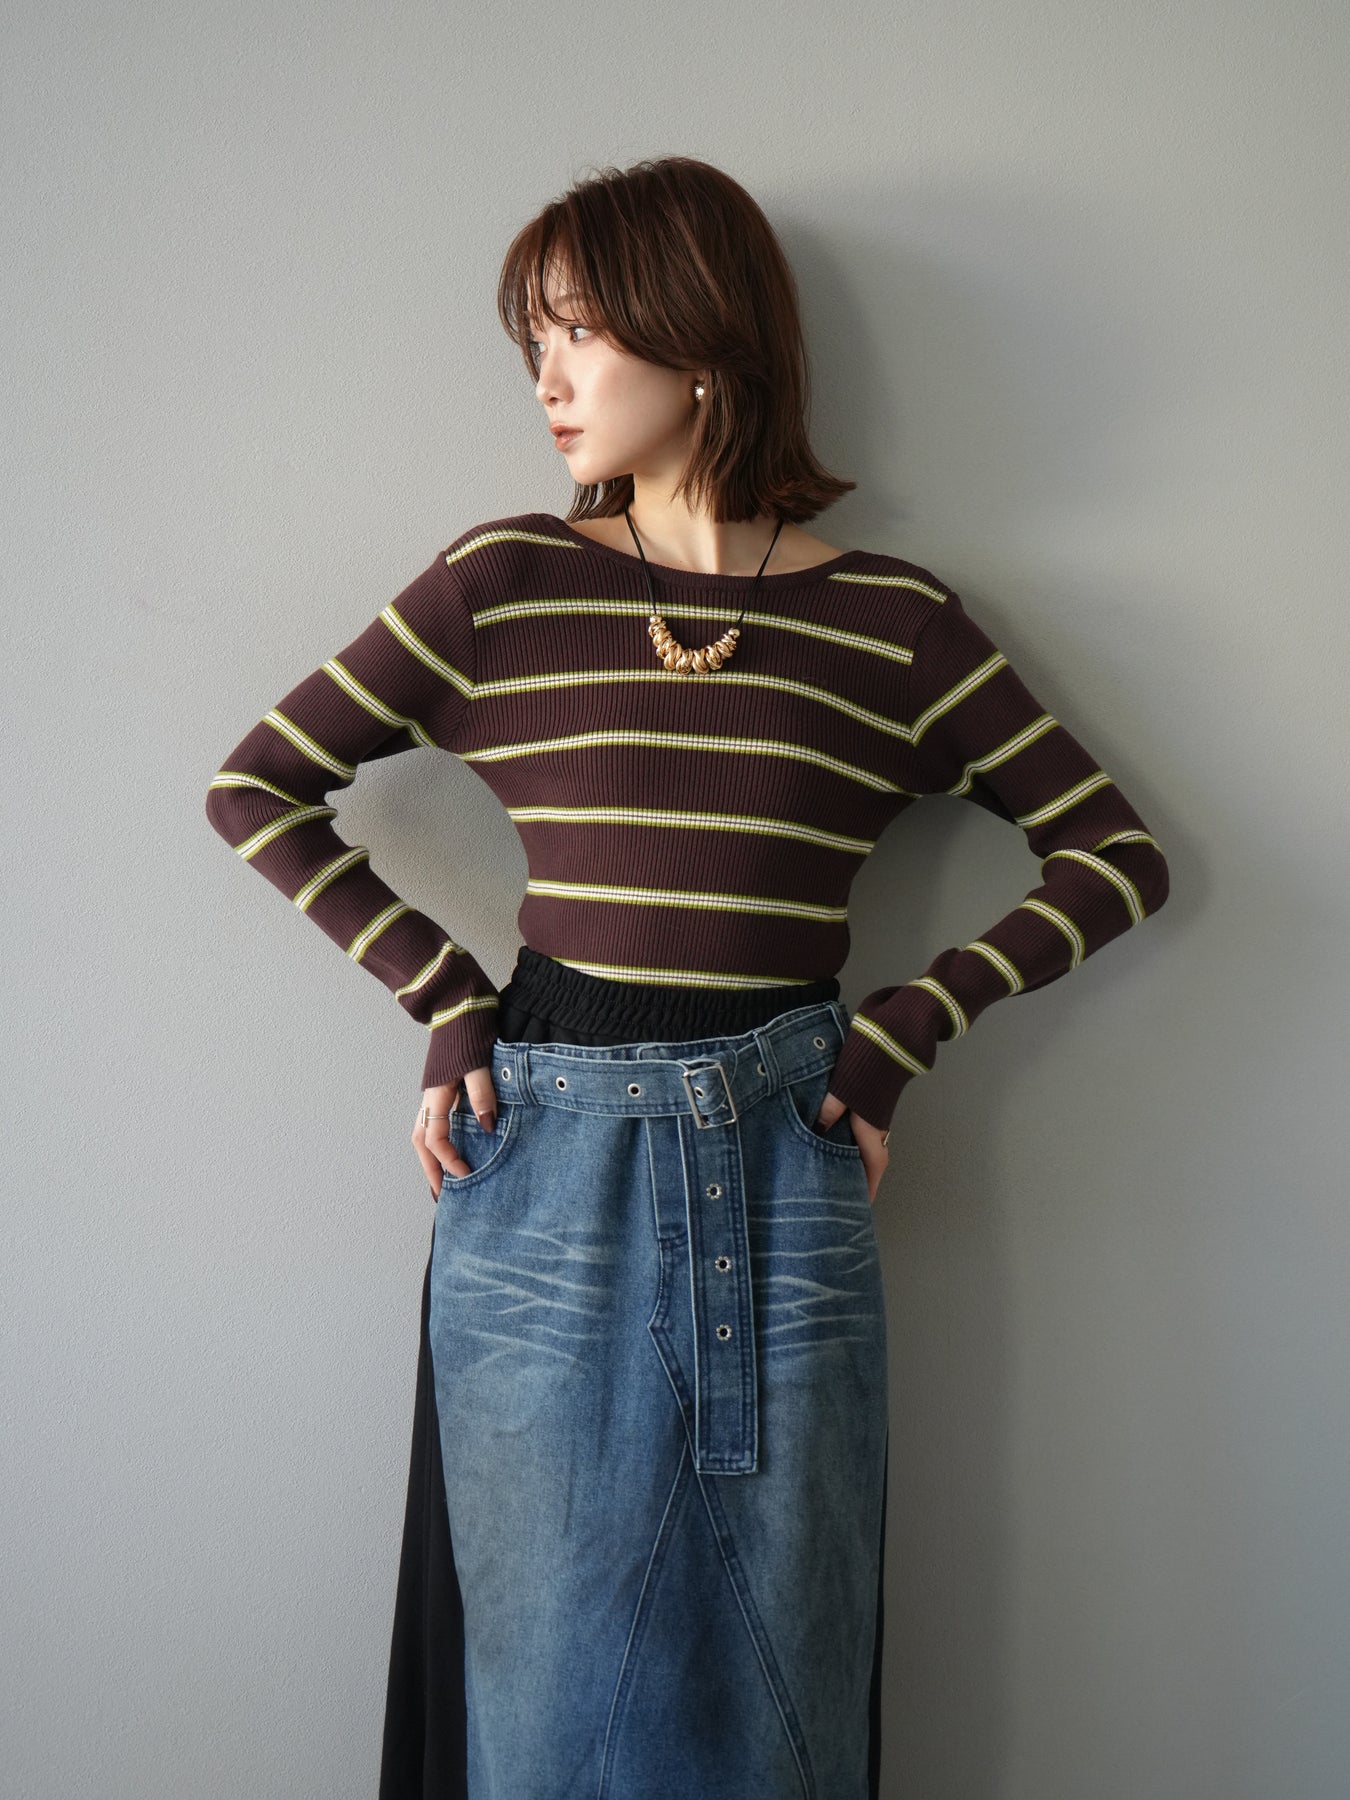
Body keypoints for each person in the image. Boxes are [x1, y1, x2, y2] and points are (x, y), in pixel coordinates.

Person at [205, 155, 1170, 1799]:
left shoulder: (893, 624)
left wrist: (898, 1039)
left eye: (577, 331)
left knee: (787, 1679)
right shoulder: (505, 582)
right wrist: (444, 997)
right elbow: (258, 788)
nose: (547, 378)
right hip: (543, 1156)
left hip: (789, 1154)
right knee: (536, 1678)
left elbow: (1108, 855)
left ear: (700, 337)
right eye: (532, 342)